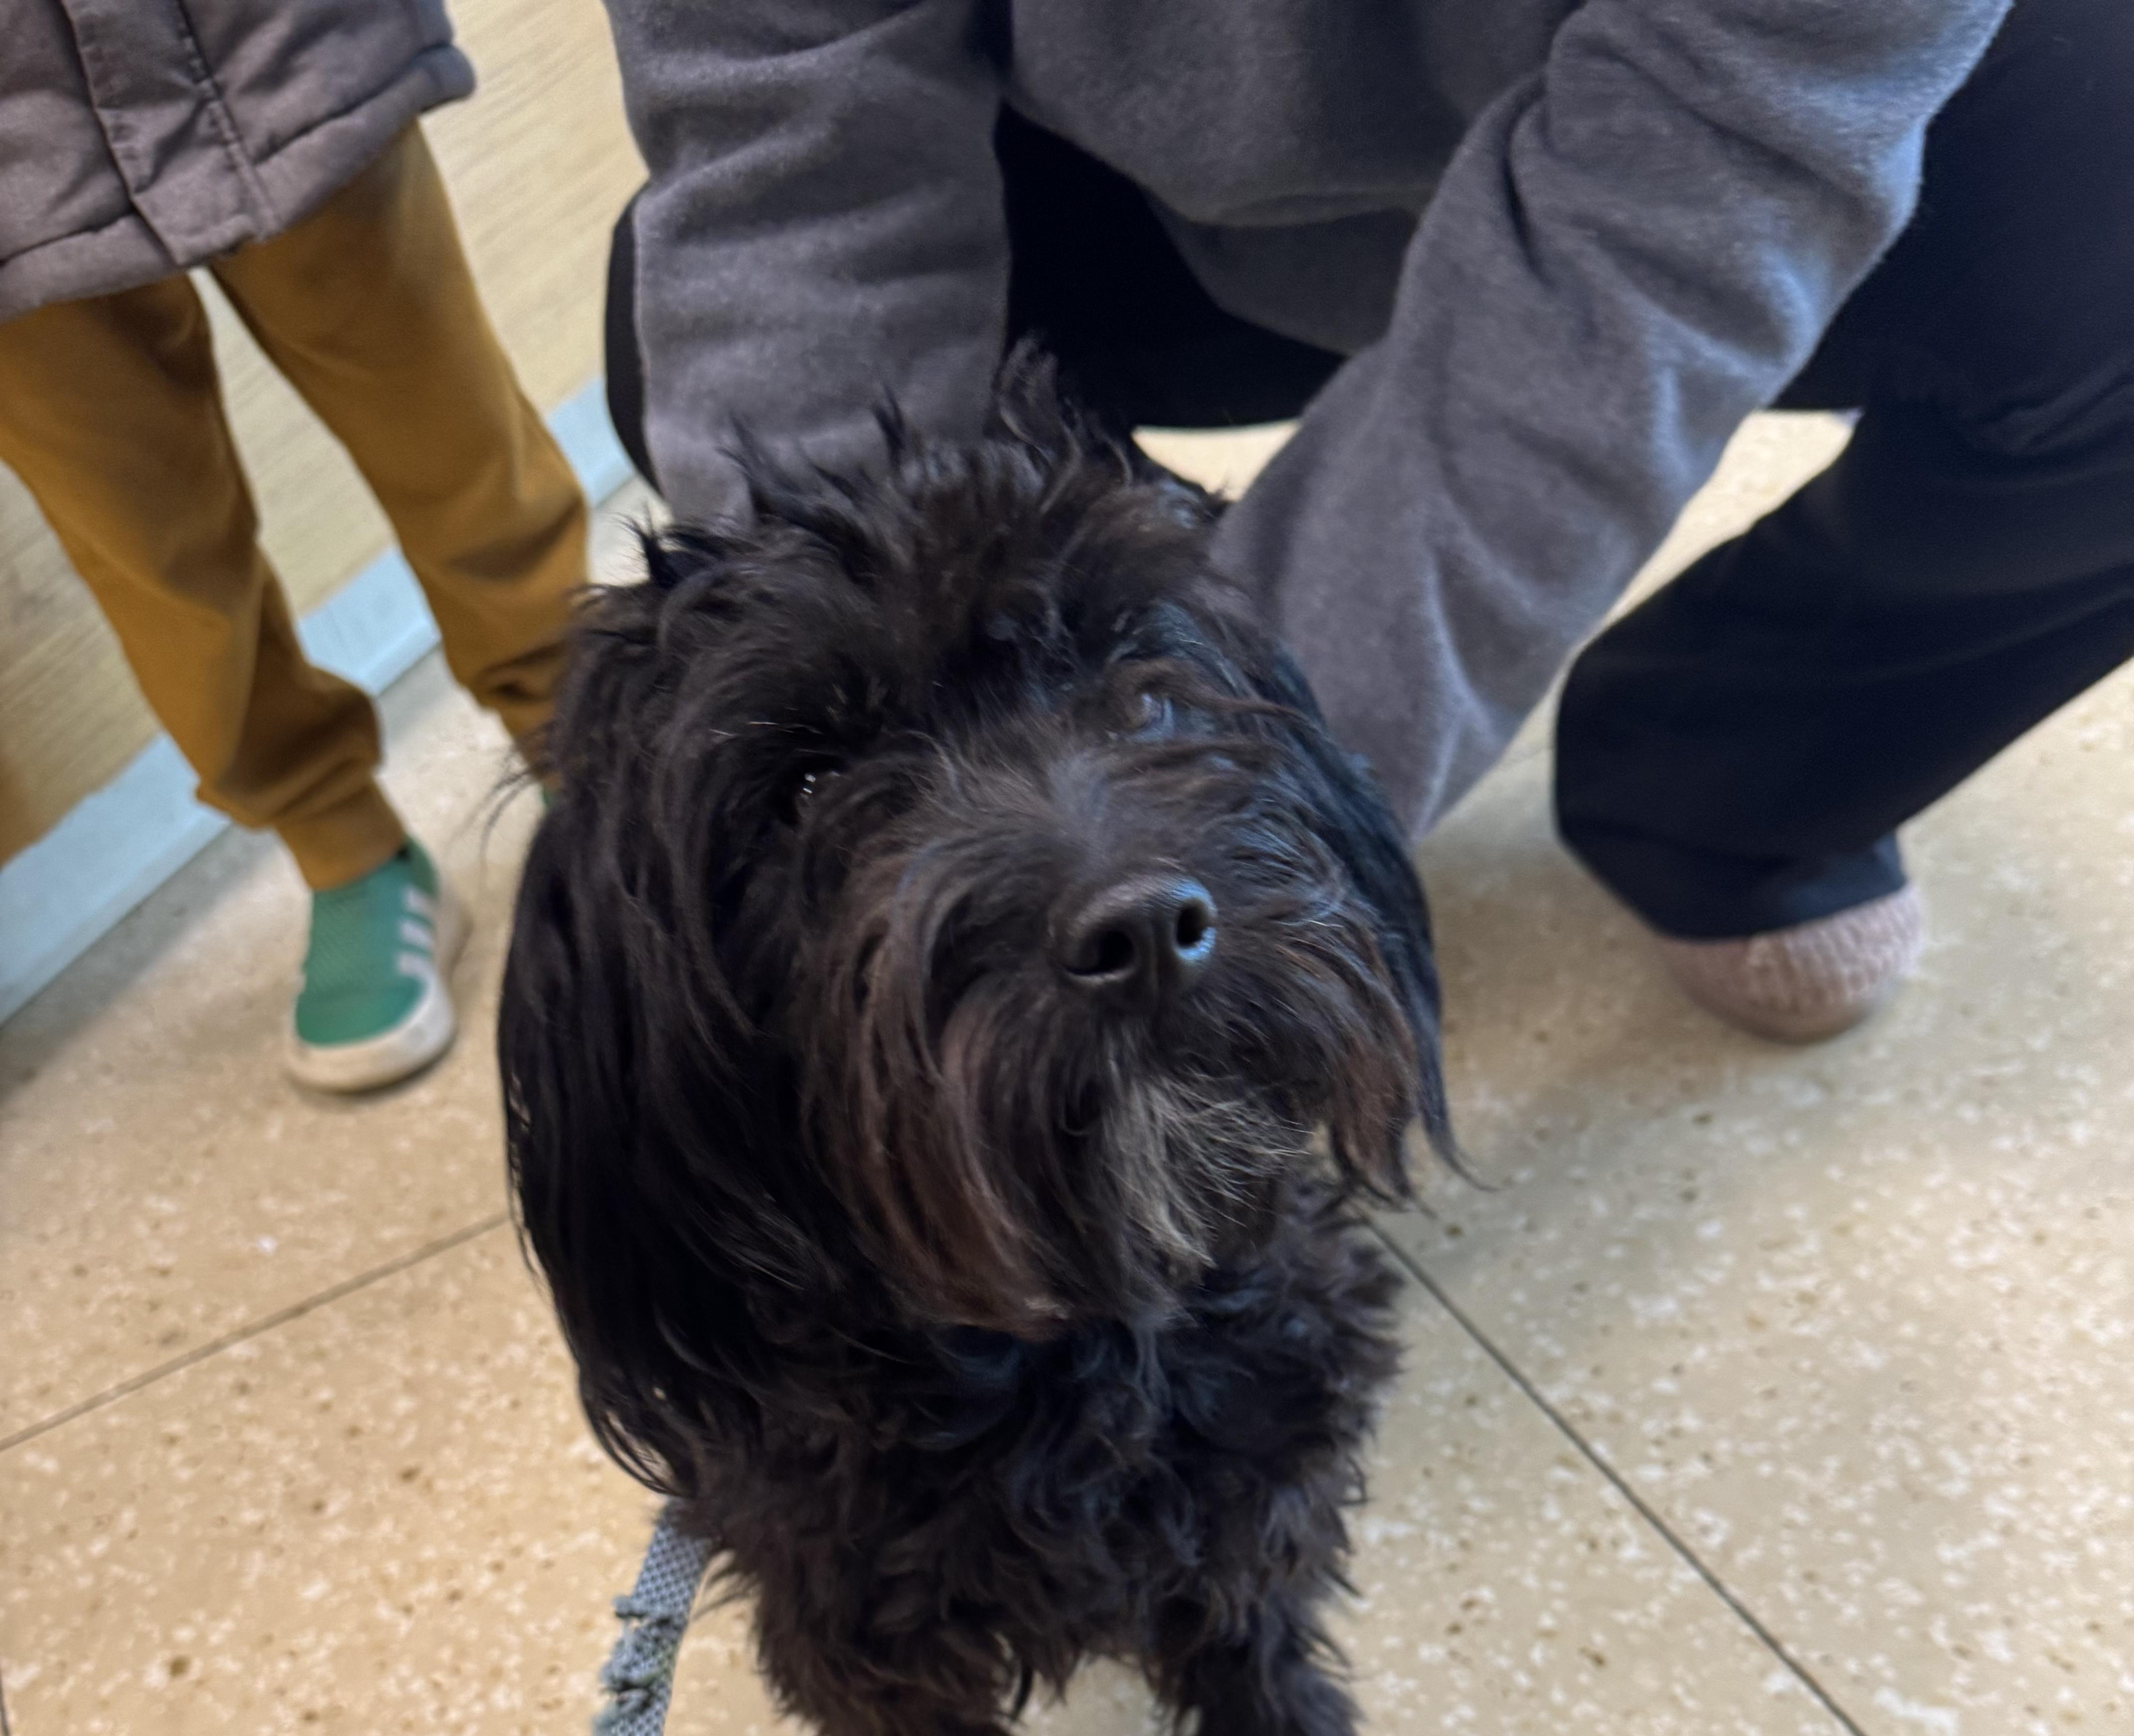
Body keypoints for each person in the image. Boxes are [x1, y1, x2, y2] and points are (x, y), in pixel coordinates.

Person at [595, 0, 2132, 1044]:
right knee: (698, 365)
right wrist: (942, 818)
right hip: (1100, 161)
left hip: (1728, 105)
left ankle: (1714, 785)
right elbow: (794, 140)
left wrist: (1259, 833)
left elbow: (1711, 158)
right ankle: (1036, 720)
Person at [0, 5, 587, 1091]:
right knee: (154, 558)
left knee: (453, 434)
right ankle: (342, 846)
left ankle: (585, 747)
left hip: (273, 38)